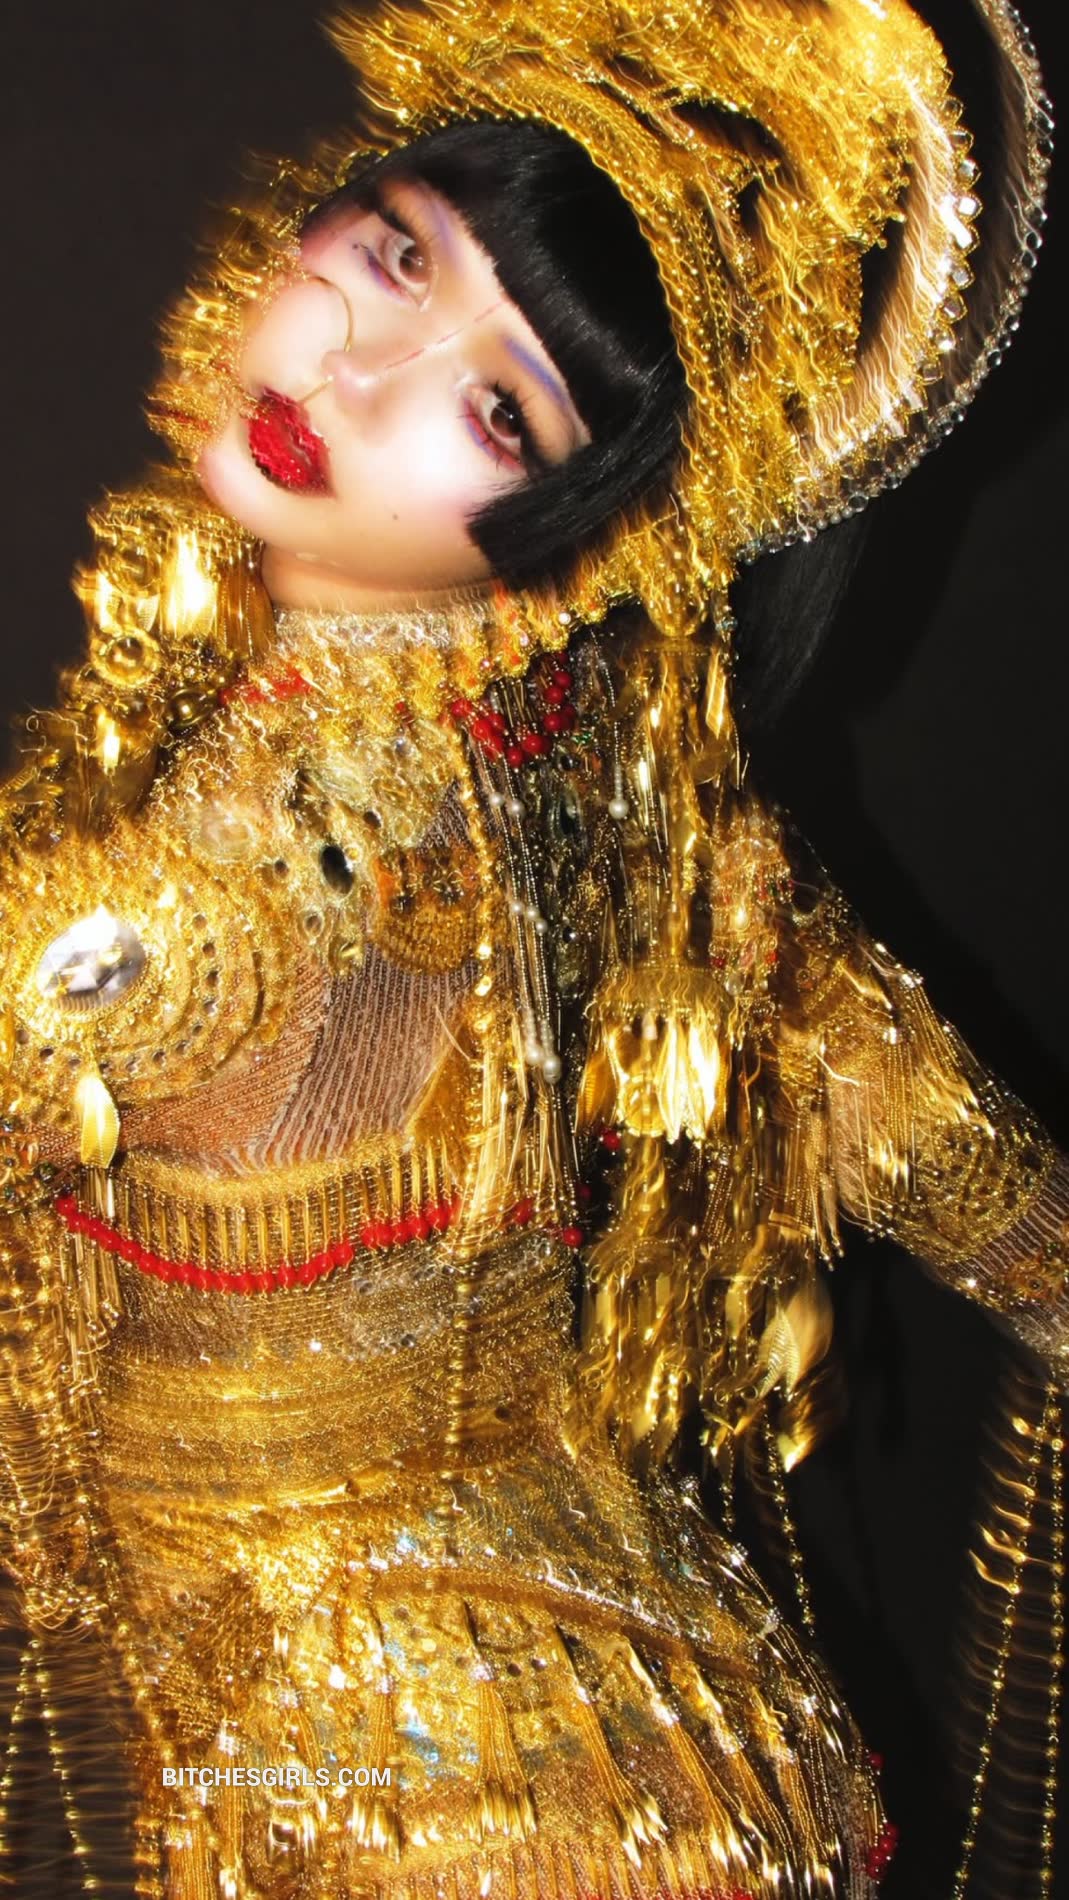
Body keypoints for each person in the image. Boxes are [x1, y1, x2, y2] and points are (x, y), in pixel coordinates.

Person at [0, 1, 1059, 1896]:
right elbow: (844, 1040)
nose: (360, 367)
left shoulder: (231, 873)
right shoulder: (573, 750)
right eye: (398, 255)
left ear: (582, 531)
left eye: (498, 408)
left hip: (439, 1800)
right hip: (552, 1685)